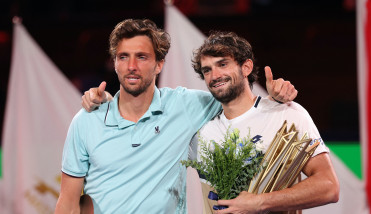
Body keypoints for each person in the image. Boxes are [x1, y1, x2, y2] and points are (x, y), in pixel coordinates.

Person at [56, 19, 297, 214]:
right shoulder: (86, 120)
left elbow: (236, 99)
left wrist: (273, 98)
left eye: (141, 57)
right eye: (123, 57)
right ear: (115, 64)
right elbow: (67, 204)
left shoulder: (186, 105)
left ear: (159, 64)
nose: (131, 66)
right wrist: (103, 100)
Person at [188, 31, 339, 214]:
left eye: (222, 64)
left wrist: (259, 202)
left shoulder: (286, 114)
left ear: (246, 67)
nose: (214, 75)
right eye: (207, 70)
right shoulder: (200, 129)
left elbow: (329, 187)